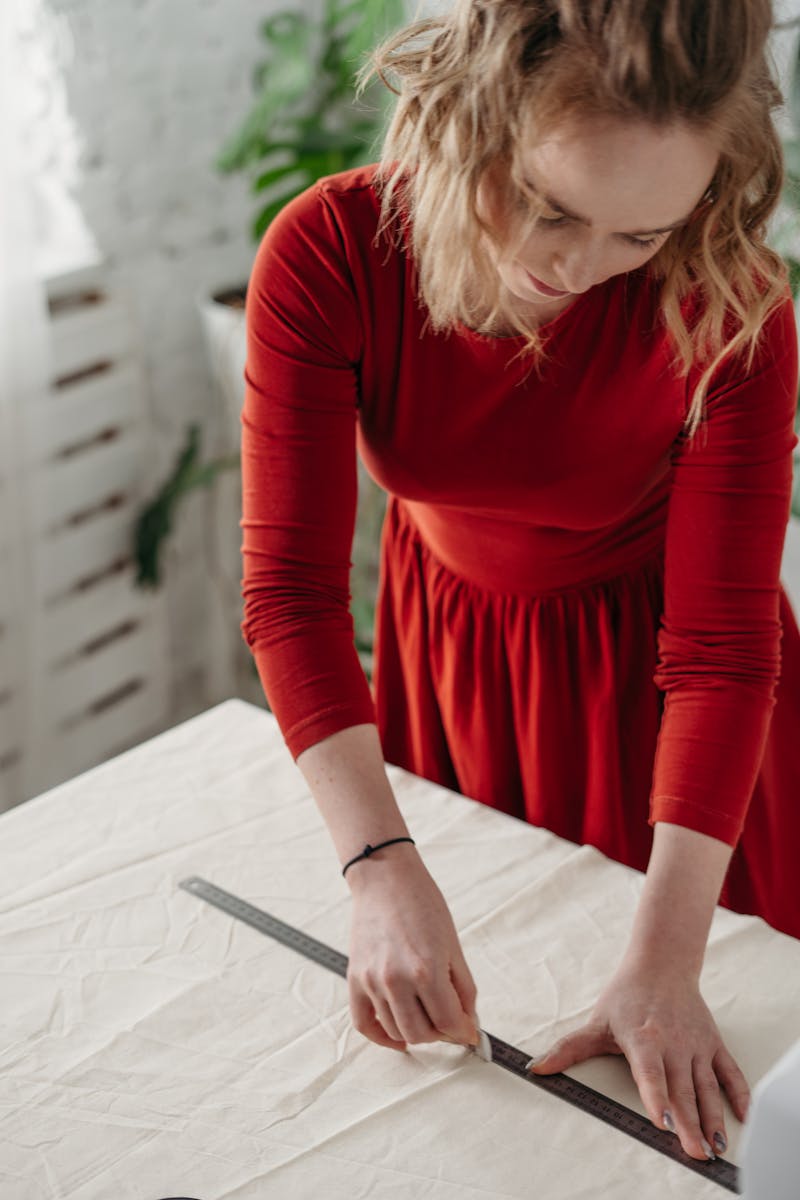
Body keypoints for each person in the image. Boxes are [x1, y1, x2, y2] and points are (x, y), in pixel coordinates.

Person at [239, 0, 800, 1167]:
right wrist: (379, 870)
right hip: (453, 659)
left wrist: (663, 965)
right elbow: (290, 590)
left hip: (671, 696)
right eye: (549, 209)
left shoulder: (732, 301)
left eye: (638, 235)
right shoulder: (332, 251)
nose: (578, 269)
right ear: (467, 124)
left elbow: (720, 649)